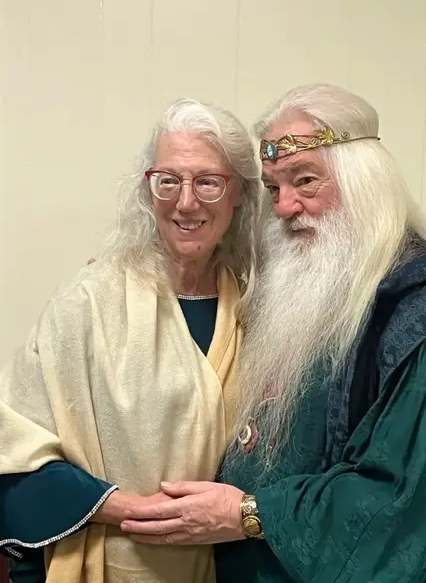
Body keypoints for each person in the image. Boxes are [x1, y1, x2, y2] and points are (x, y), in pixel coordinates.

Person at [117, 84, 426, 583]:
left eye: (305, 181)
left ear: (365, 183)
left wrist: (247, 513)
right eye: (273, 189)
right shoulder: (288, 283)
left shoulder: (419, 311)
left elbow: (397, 500)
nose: (285, 207)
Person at [0, 99, 261, 583]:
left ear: (240, 192)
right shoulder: (89, 301)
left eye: (208, 181)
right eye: (168, 180)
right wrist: (130, 510)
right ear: (148, 188)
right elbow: (14, 449)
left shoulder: (259, 311)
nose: (186, 202)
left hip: (230, 568)